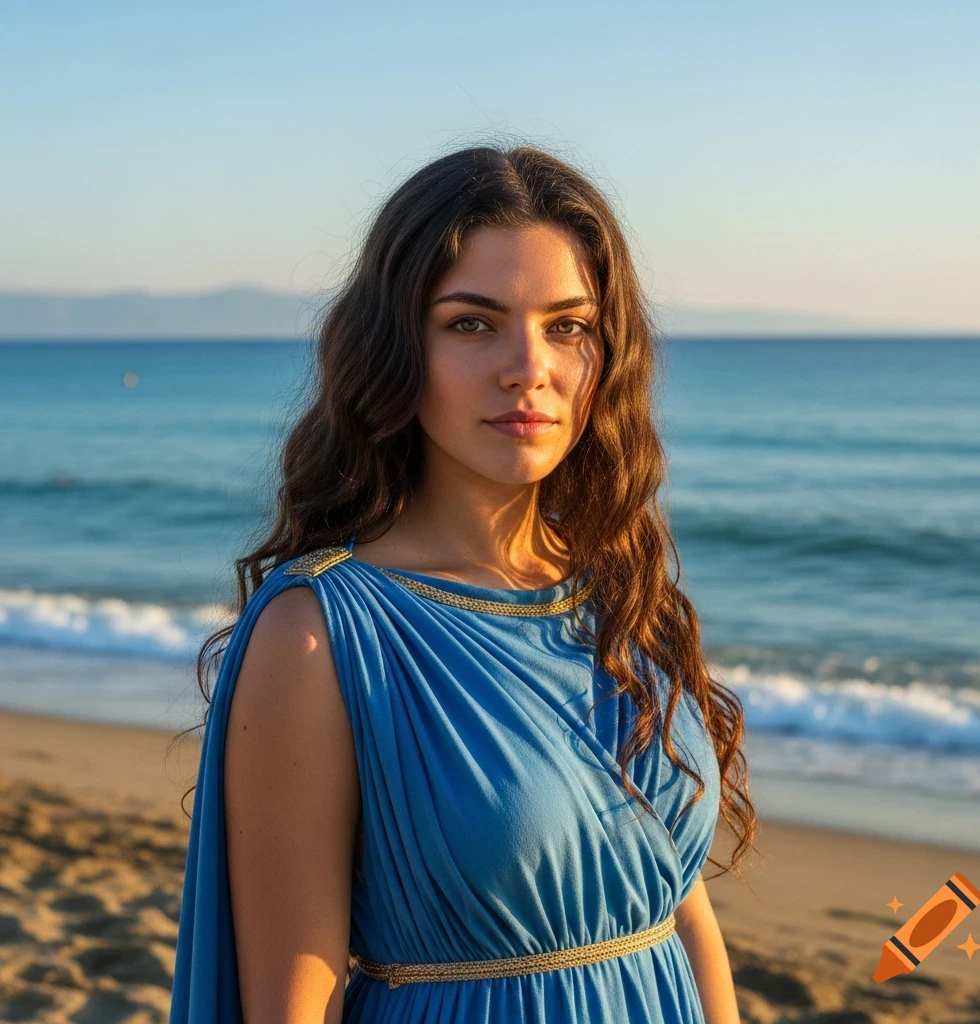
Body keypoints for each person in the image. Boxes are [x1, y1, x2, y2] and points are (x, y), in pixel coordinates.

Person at [167, 144, 756, 1024]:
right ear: (396, 347)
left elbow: (670, 906)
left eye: (569, 326)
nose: (530, 367)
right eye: (472, 323)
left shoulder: (617, 594)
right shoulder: (321, 635)